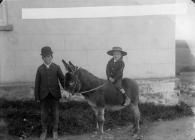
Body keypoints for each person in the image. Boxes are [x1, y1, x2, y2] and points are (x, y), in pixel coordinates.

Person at [34, 46, 65, 140]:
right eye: (44, 57)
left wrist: (67, 90)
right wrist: (37, 97)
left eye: (49, 56)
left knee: (55, 113)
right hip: (43, 96)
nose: (47, 58)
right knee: (44, 114)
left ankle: (55, 131)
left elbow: (63, 80)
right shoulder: (40, 69)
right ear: (42, 58)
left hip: (54, 95)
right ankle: (44, 131)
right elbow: (37, 84)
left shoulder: (56, 67)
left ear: (52, 56)